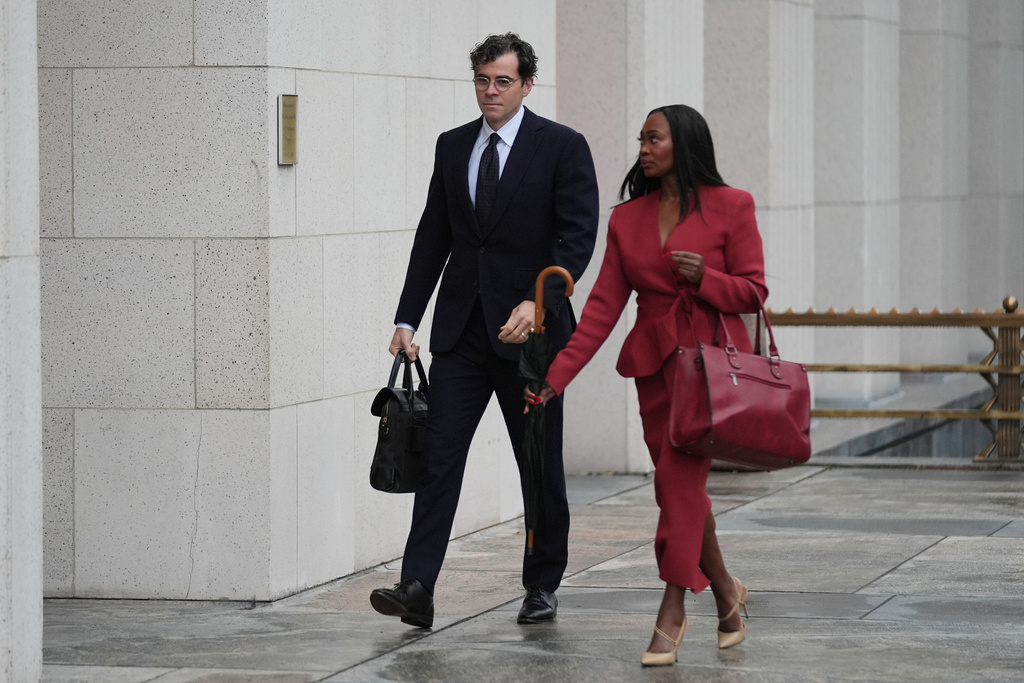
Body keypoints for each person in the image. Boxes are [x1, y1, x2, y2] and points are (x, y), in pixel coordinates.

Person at [369, 33, 599, 629]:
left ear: (527, 85)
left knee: (537, 464)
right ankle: (417, 585)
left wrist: (538, 302)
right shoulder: (452, 148)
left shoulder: (563, 147)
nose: (489, 91)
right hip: (462, 334)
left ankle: (542, 585)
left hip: (533, 339)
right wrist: (406, 318)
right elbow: (433, 239)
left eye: (501, 81)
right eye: (481, 79)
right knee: (438, 458)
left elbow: (576, 240)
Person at [526, 104, 765, 665]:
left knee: (678, 490)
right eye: (641, 139)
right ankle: (728, 594)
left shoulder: (734, 206)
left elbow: (754, 292)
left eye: (654, 138)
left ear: (683, 143)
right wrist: (554, 379)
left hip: (711, 371)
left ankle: (672, 610)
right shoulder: (627, 218)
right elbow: (602, 310)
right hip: (655, 373)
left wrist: (706, 279)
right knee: (679, 491)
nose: (644, 148)